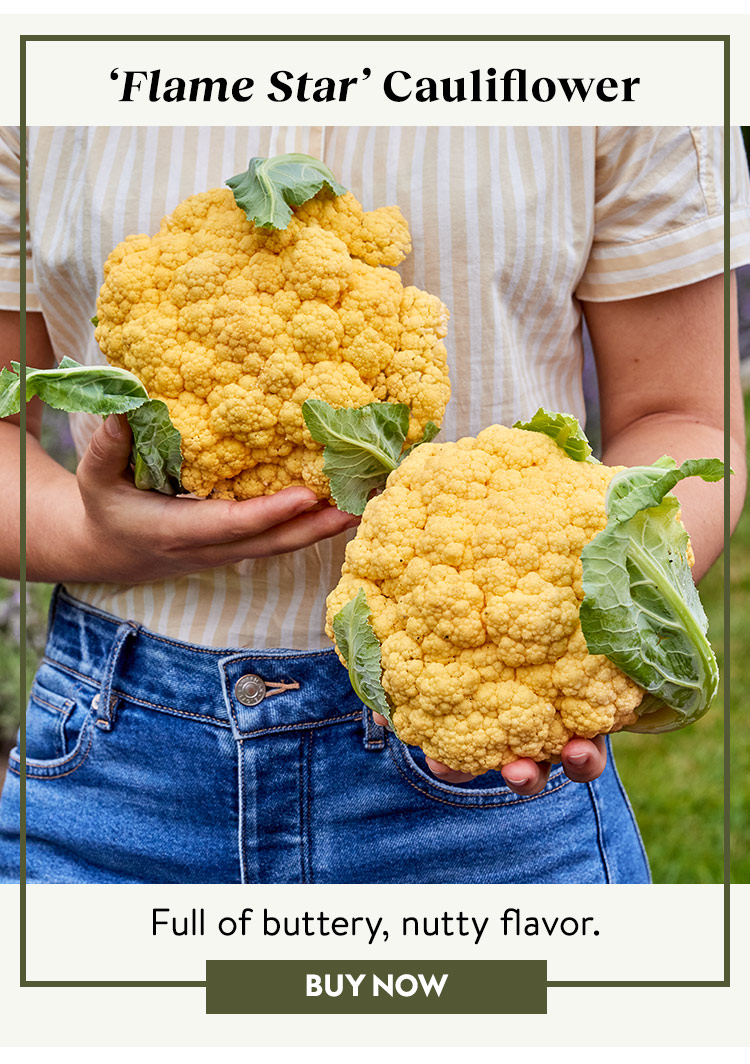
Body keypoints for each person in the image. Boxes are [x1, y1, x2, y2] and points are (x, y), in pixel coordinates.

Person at [0, 125, 747, 884]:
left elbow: (688, 418)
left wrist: (572, 638)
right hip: (116, 763)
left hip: (491, 806)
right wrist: (106, 538)